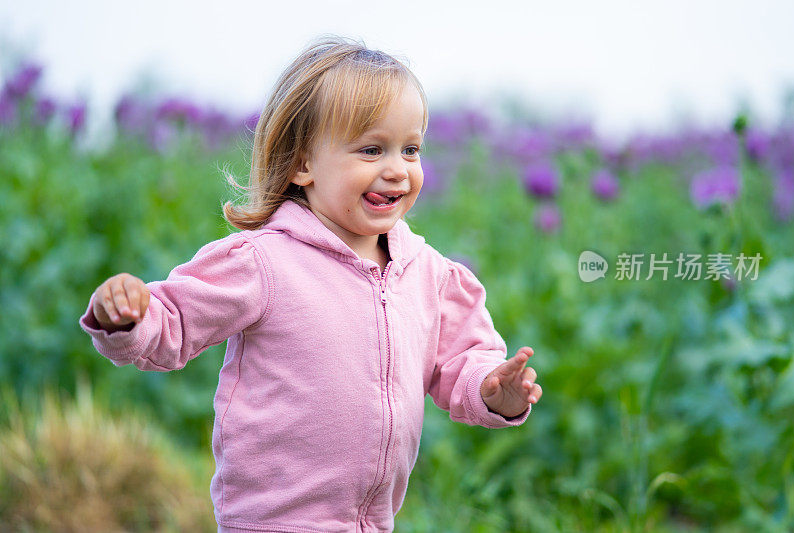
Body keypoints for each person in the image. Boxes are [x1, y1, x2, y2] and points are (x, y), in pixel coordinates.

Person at [79, 34, 543, 533]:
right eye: (371, 149)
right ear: (302, 164)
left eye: (410, 149)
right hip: (270, 522)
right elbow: (173, 320)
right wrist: (129, 315)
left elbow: (464, 362)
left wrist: (495, 390)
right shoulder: (264, 262)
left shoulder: (429, 275)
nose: (396, 170)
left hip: (372, 524)